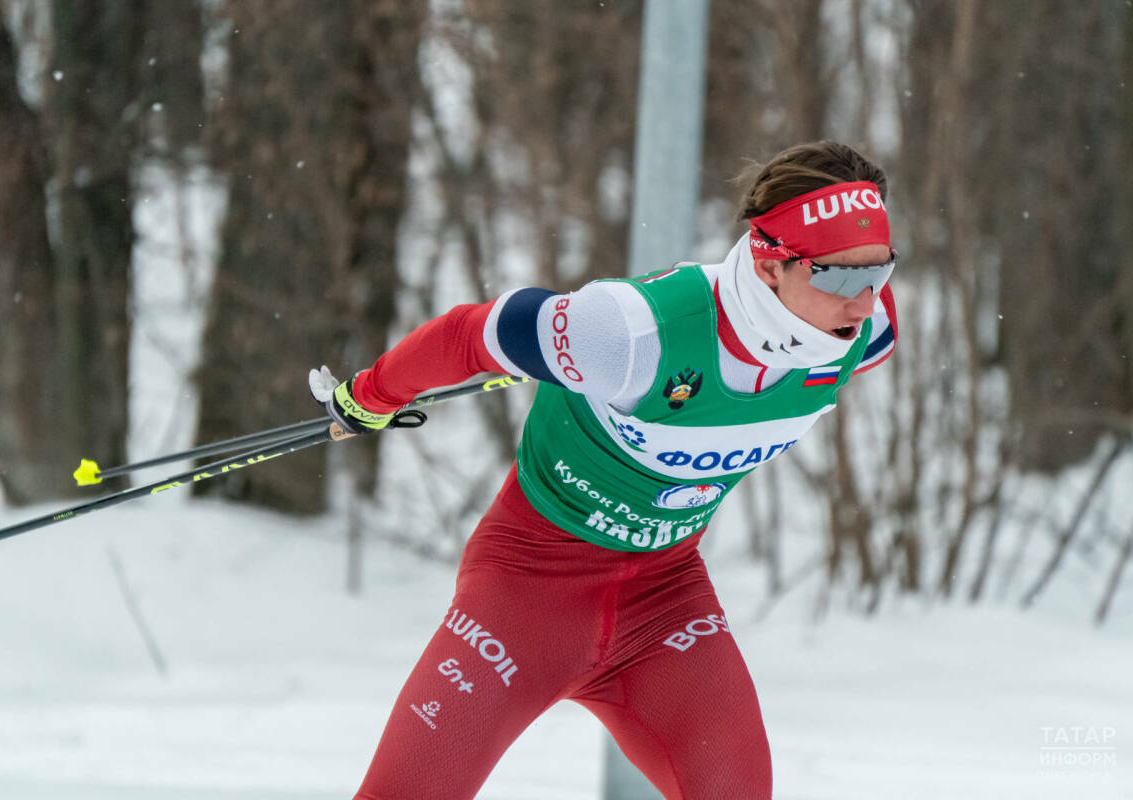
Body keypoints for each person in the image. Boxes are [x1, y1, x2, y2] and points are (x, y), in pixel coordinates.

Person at [311, 140, 898, 800]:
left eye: (880, 274)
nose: (864, 301)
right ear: (768, 263)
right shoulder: (629, 334)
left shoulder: (867, 336)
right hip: (527, 593)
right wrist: (370, 398)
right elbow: (465, 337)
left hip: (666, 602)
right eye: (841, 278)